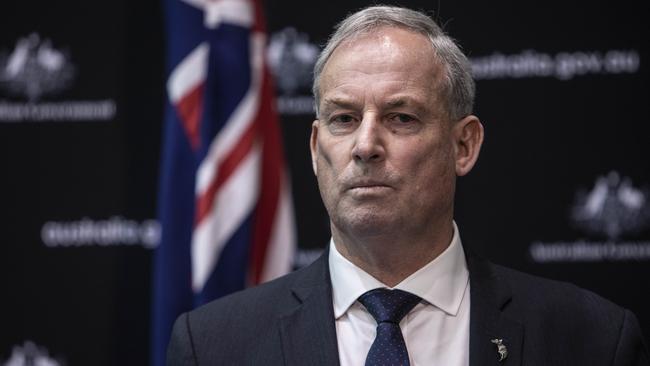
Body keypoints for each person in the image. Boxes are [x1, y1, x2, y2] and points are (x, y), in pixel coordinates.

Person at [166, 5, 649, 365]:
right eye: (343, 119)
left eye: (401, 117)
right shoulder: (213, 345)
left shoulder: (591, 339)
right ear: (316, 148)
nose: (365, 145)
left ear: (464, 145)